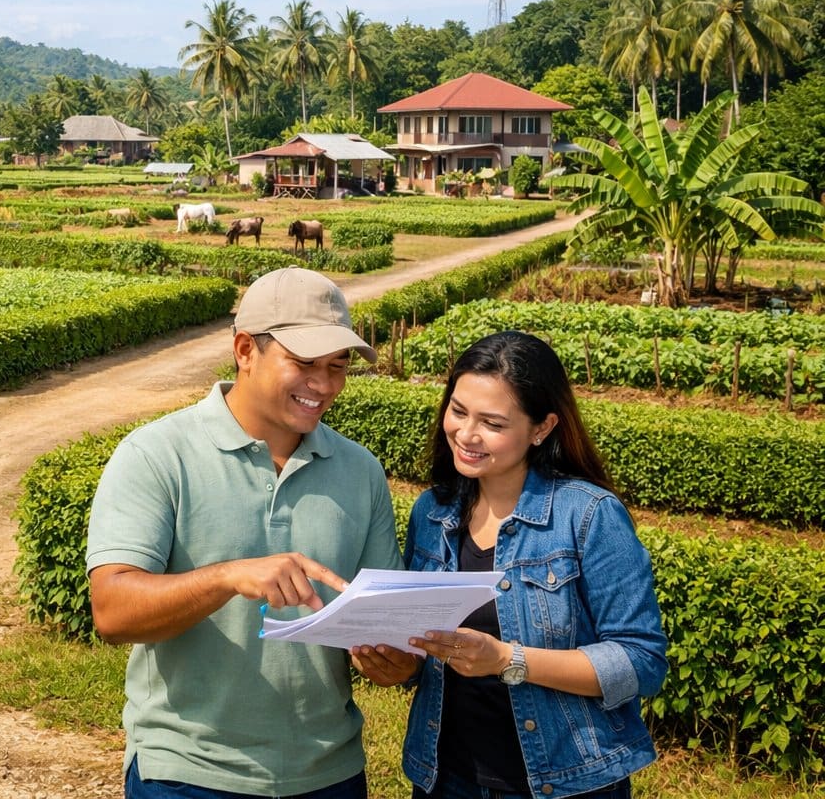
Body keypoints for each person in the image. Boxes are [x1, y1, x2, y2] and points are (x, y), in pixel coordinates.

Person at [87, 267, 402, 799]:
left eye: (337, 366)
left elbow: (388, 627)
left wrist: (394, 661)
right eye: (303, 363)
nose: (324, 385)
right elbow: (113, 612)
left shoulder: (360, 470)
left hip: (328, 772)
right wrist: (229, 576)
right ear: (244, 350)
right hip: (188, 771)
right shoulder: (156, 455)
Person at [357, 331, 667, 799]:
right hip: (446, 777)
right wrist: (398, 663)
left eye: (493, 423)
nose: (466, 434)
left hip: (566, 781)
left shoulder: (586, 516)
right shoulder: (432, 512)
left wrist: (507, 660)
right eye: (458, 411)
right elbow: (429, 655)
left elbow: (641, 662)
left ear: (541, 428)